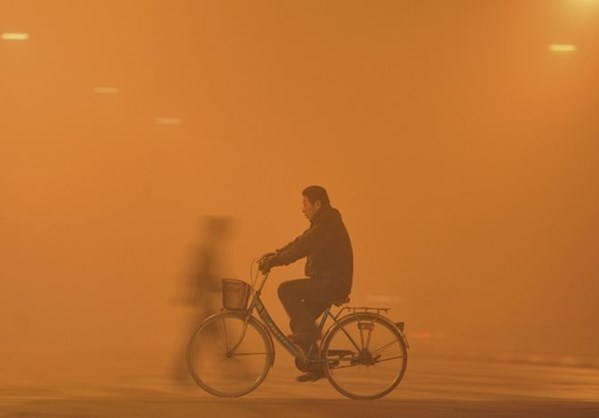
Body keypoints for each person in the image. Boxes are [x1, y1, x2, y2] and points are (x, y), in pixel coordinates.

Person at [260, 185, 353, 381]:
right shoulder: (323, 222)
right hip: (327, 281)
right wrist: (276, 255)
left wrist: (276, 261)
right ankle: (318, 367)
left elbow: (303, 247)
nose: (303, 209)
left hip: (332, 283)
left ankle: (310, 334)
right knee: (299, 321)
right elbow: (300, 241)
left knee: (286, 290)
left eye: (305, 204)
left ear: (317, 203)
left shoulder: (327, 223)